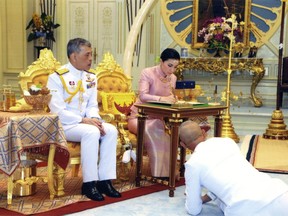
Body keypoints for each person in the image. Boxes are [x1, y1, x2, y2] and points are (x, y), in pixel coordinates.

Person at [47, 38, 121, 201]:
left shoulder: (90, 77)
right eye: (87, 55)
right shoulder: (56, 77)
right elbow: (57, 110)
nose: (90, 59)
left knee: (110, 130)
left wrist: (95, 119)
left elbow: (92, 105)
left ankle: (105, 181)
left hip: (86, 122)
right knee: (91, 132)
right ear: (73, 56)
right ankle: (89, 184)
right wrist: (84, 120)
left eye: (91, 55)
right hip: (65, 125)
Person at [179, 120, 288, 216]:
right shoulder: (227, 142)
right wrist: (207, 197)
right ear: (203, 133)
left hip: (245, 207)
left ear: (183, 145)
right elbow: (232, 176)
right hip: (278, 193)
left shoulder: (192, 165)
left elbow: (193, 210)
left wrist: (195, 198)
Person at [127, 48, 180, 178]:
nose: (172, 70)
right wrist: (162, 99)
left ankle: (168, 171)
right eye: (169, 65)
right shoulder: (148, 73)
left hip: (159, 119)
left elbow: (171, 96)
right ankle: (160, 173)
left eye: (175, 67)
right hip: (139, 118)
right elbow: (143, 96)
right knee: (154, 127)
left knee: (164, 129)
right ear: (161, 61)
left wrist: (174, 99)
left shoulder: (173, 78)